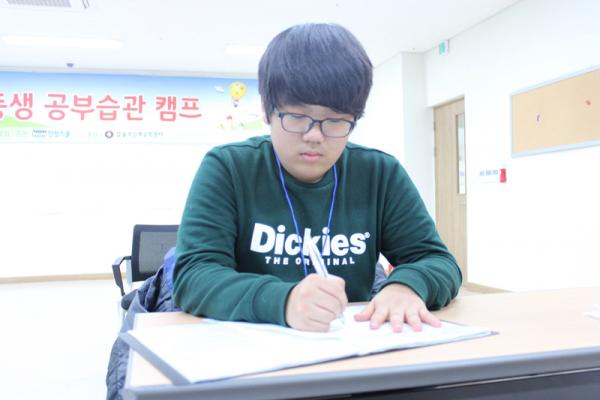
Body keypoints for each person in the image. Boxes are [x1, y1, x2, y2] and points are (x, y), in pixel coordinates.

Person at [173, 23, 461, 334]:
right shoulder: (228, 167)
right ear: (267, 110)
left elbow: (438, 261)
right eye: (297, 116)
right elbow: (194, 275)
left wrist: (407, 286)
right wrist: (283, 301)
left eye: (335, 120)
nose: (314, 135)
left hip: (348, 345)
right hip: (248, 343)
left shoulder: (380, 173)